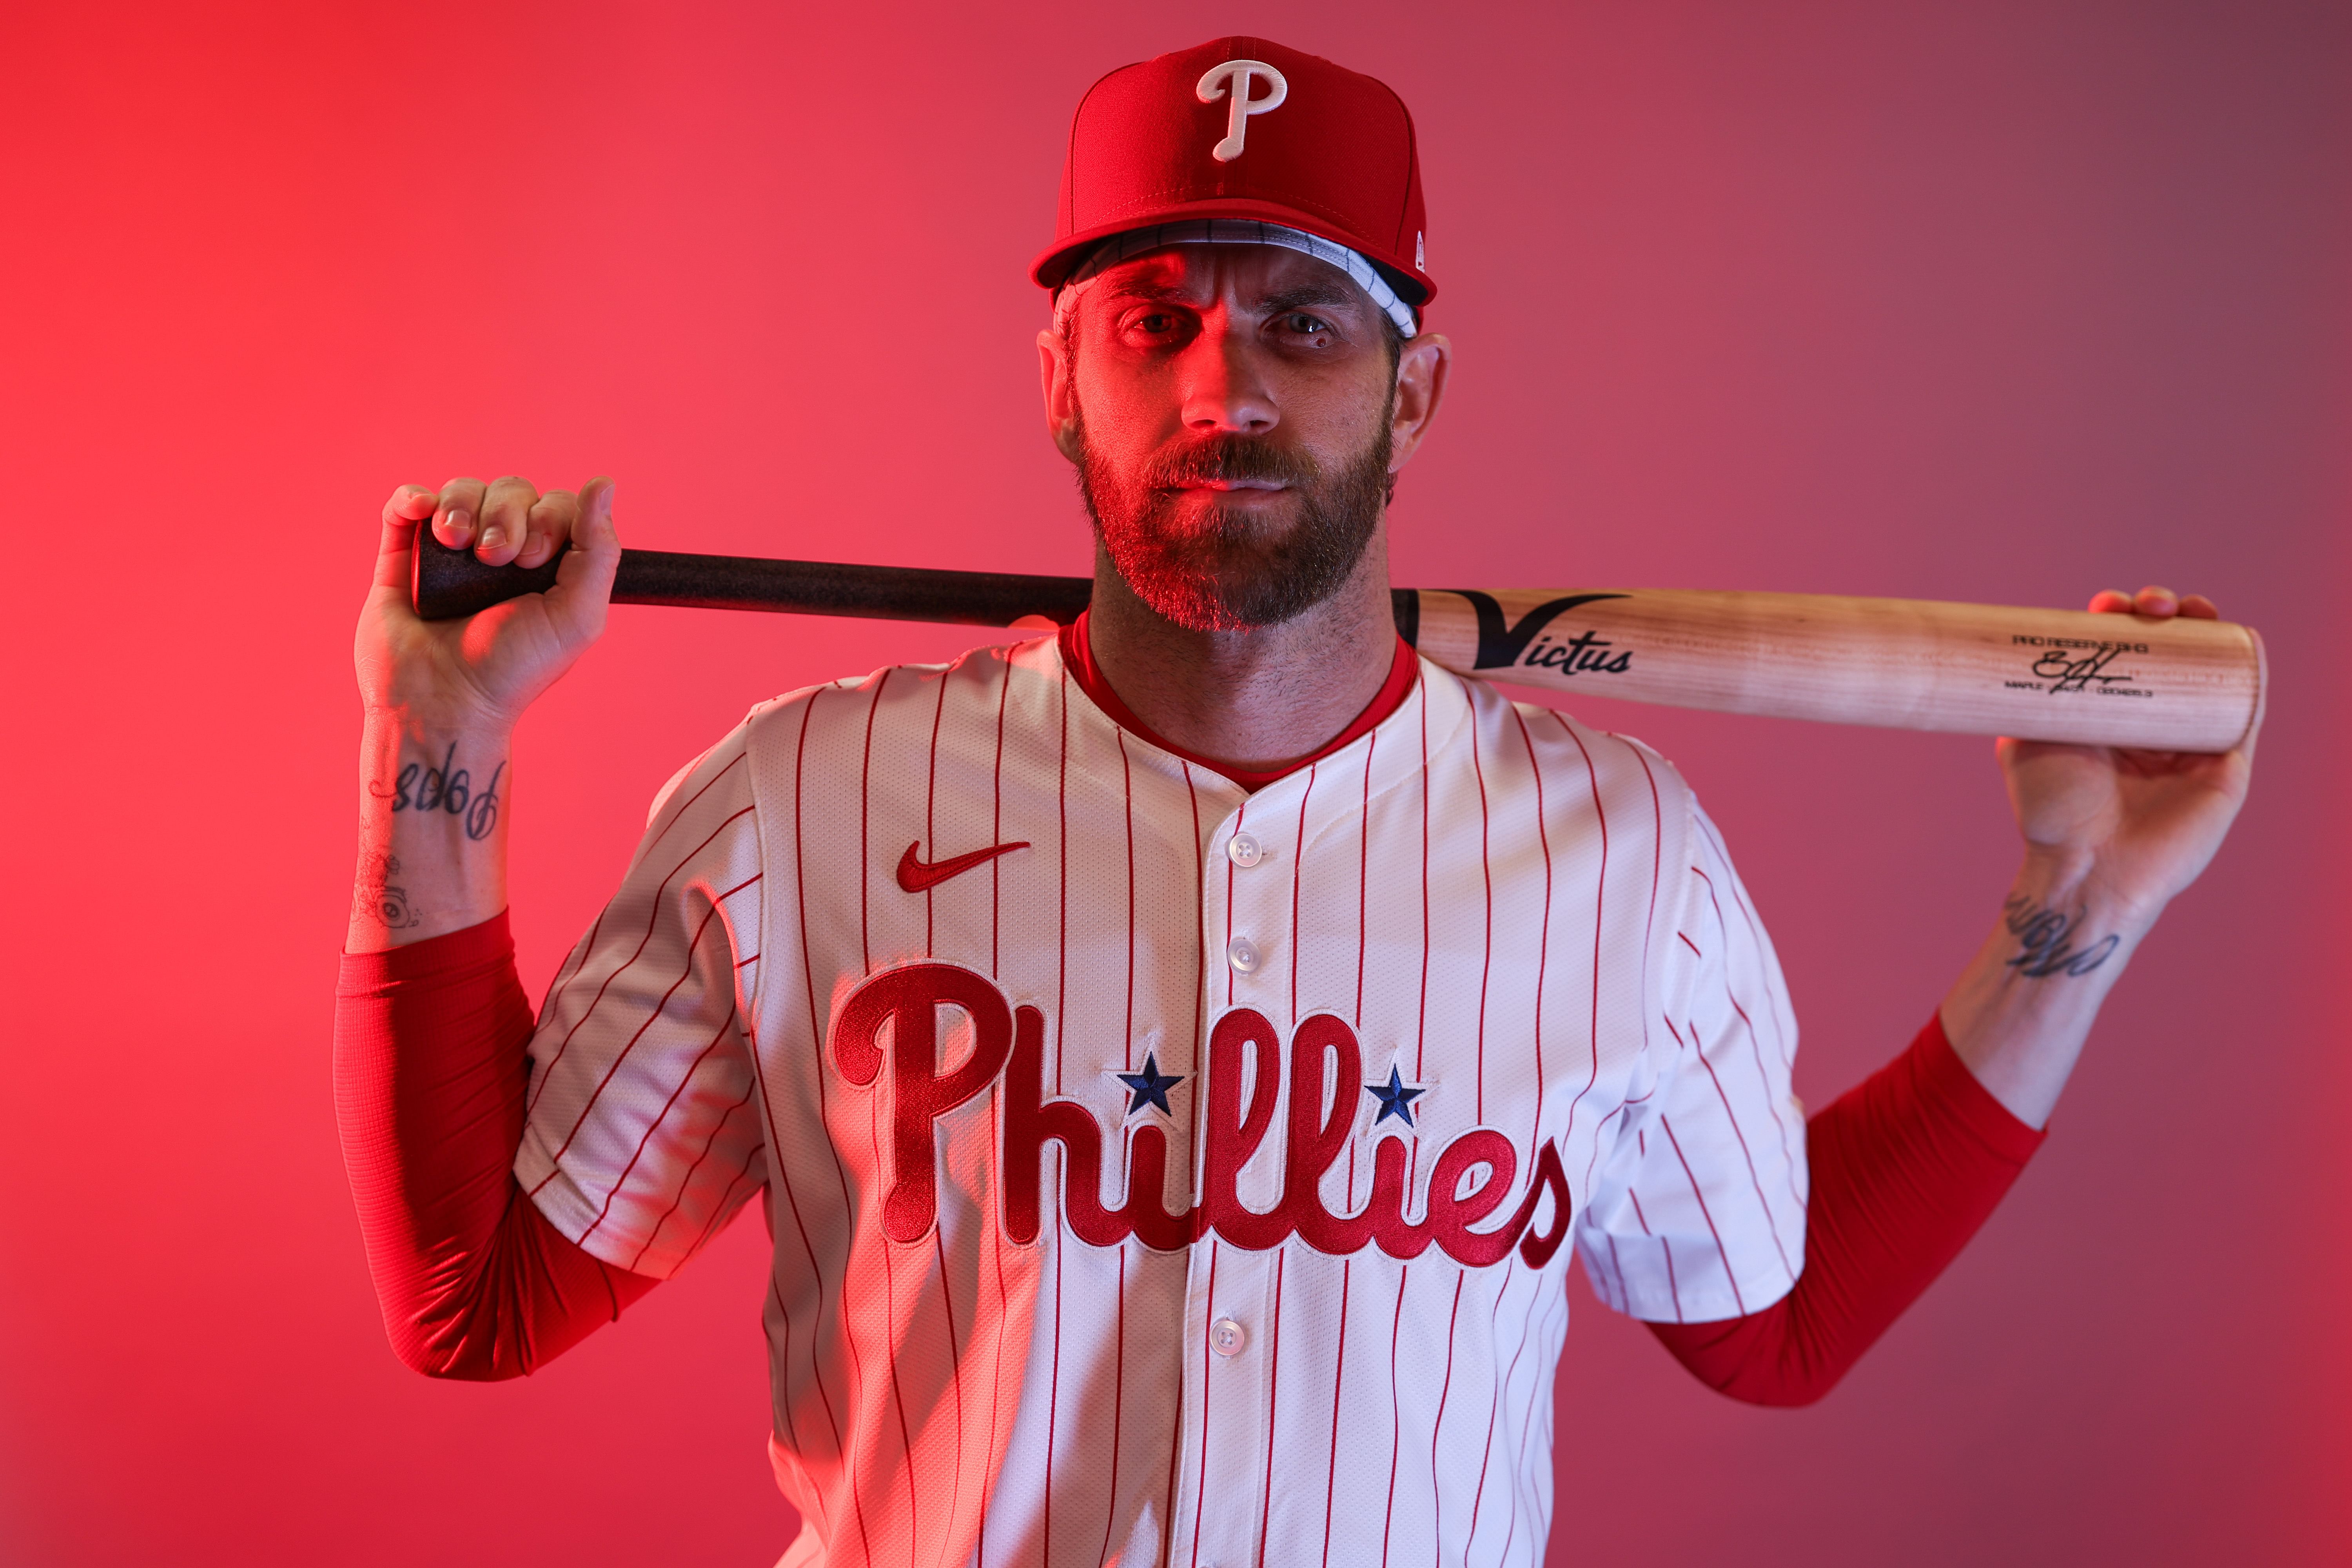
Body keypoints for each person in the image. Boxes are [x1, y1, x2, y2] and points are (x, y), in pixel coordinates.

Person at [335, 36, 2254, 1567]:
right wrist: (446, 743)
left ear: (1413, 392)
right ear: (1059, 384)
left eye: (1302, 325)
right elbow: (476, 1295)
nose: (1223, 383)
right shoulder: (799, 802)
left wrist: (2074, 904)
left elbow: (1781, 1319)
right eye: (1154, 319)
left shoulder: (1625, 860)